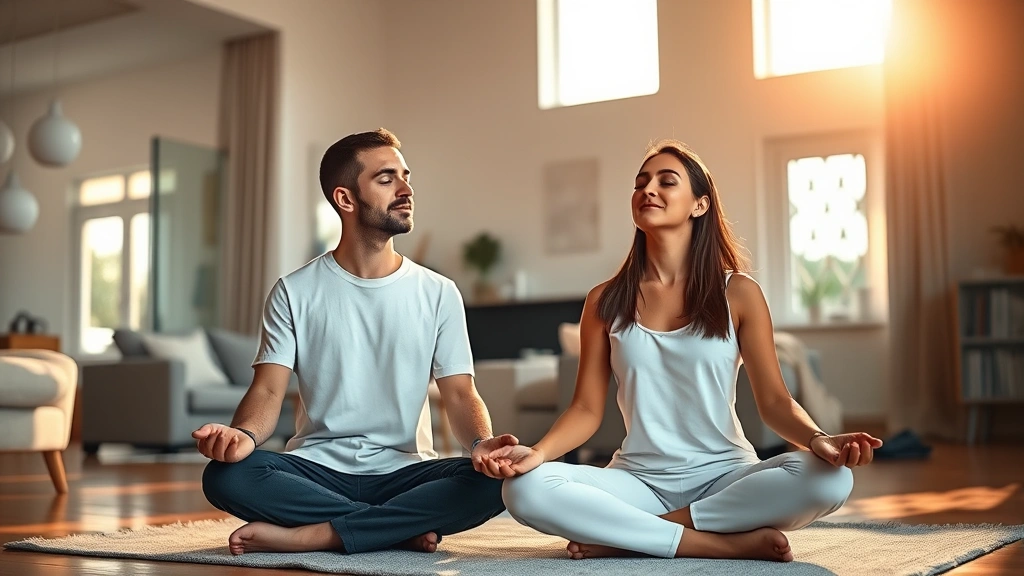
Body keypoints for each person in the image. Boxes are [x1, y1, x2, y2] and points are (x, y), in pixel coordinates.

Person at [487, 139, 883, 562]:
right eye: (640, 183)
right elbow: (585, 409)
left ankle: (636, 537)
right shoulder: (603, 301)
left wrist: (817, 439)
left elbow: (774, 401)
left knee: (832, 481)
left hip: (725, 476)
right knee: (523, 488)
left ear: (699, 204)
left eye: (666, 181)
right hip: (636, 481)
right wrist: (539, 453)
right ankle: (716, 544)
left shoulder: (739, 293)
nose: (647, 190)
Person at [196, 128, 516, 556]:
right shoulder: (294, 291)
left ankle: (321, 533)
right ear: (345, 199)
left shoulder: (439, 292)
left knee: (494, 483)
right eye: (386, 179)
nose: (406, 190)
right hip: (316, 468)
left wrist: (481, 446)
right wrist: (243, 436)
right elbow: (269, 389)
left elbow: (460, 394)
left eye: (405, 176)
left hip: (407, 471)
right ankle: (396, 527)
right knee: (225, 476)